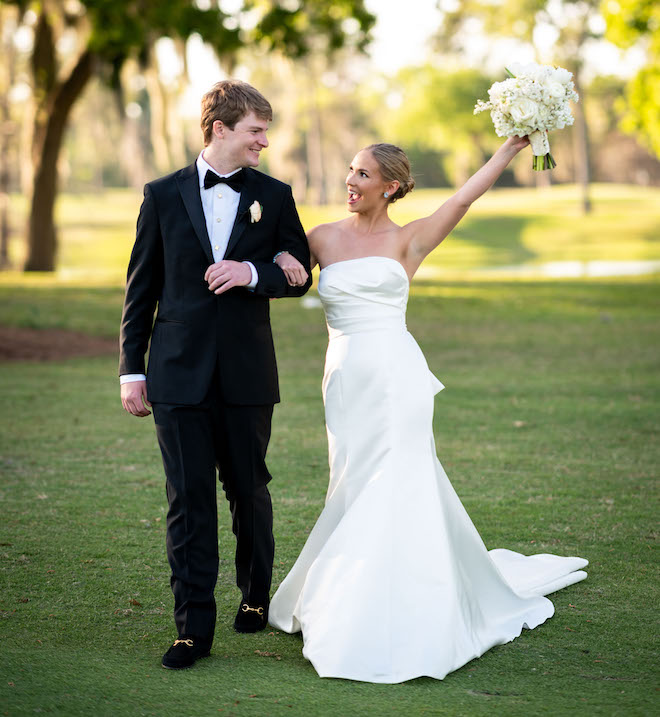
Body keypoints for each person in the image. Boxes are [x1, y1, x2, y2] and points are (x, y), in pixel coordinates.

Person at [268, 138, 588, 683]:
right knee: (352, 481)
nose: (351, 181)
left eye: (363, 174)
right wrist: (277, 257)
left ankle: (391, 608)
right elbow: (279, 260)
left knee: (396, 480)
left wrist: (510, 148)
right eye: (350, 170)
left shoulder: (410, 239)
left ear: (390, 187)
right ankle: (348, 590)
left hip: (397, 378)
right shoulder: (320, 237)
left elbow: (462, 200)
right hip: (344, 381)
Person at [119, 80, 312, 670]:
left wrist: (254, 273)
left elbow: (301, 267)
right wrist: (132, 369)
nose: (264, 140)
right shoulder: (161, 194)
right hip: (176, 375)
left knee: (248, 491)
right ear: (220, 129)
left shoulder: (275, 196)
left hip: (248, 374)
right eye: (256, 130)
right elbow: (141, 287)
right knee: (188, 499)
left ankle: (255, 594)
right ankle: (191, 630)